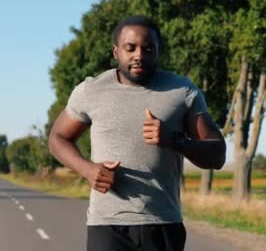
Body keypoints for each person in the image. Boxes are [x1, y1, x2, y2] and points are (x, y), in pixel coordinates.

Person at [49, 15, 226, 251]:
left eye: (148, 48)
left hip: (163, 224)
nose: (139, 55)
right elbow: (57, 138)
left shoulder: (182, 92)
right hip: (107, 225)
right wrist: (88, 170)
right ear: (116, 52)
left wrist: (173, 140)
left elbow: (217, 153)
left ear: (158, 51)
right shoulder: (91, 90)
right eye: (130, 48)